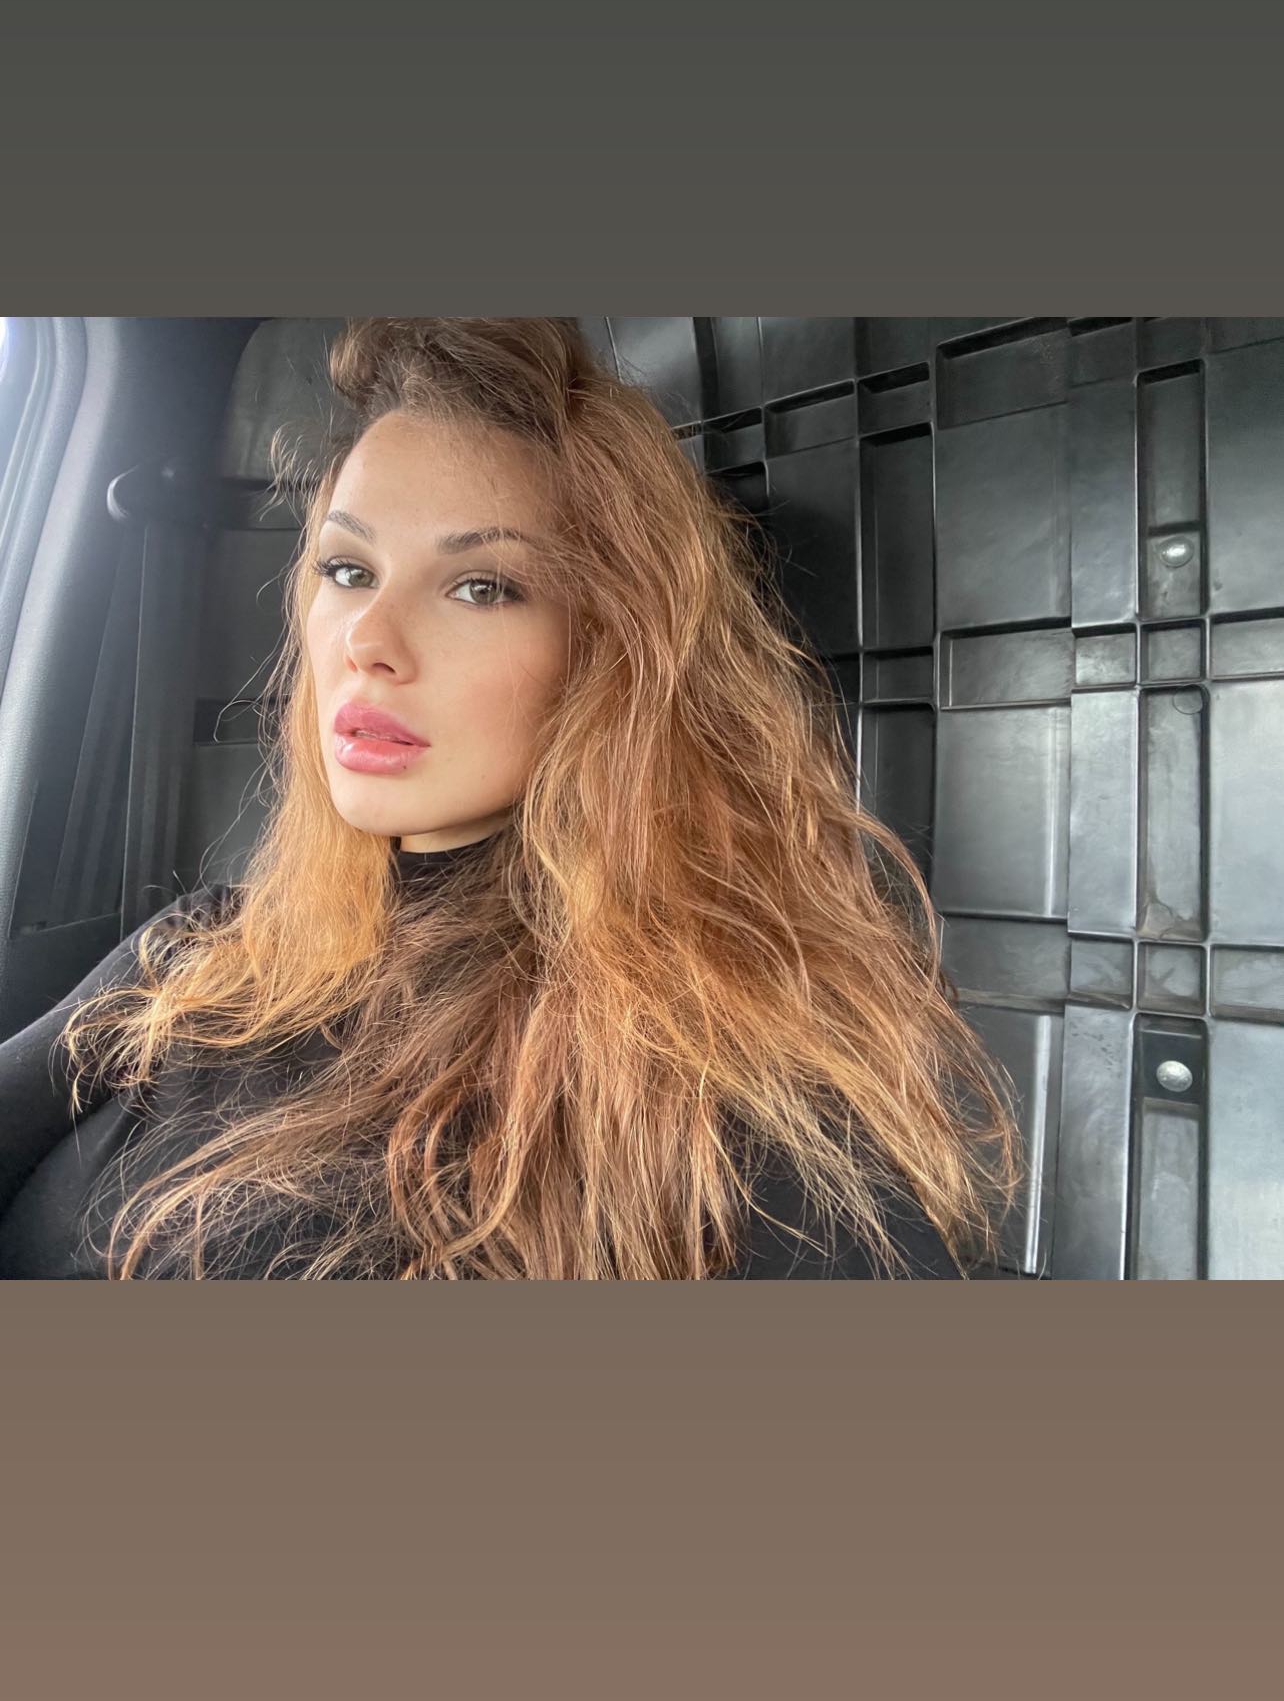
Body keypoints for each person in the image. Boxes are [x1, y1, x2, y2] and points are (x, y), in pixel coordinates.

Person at [0, 318, 1021, 1279]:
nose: (367, 640)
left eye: (480, 586)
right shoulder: (206, 949)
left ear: (610, 654)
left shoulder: (706, 1084)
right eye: (348, 569)